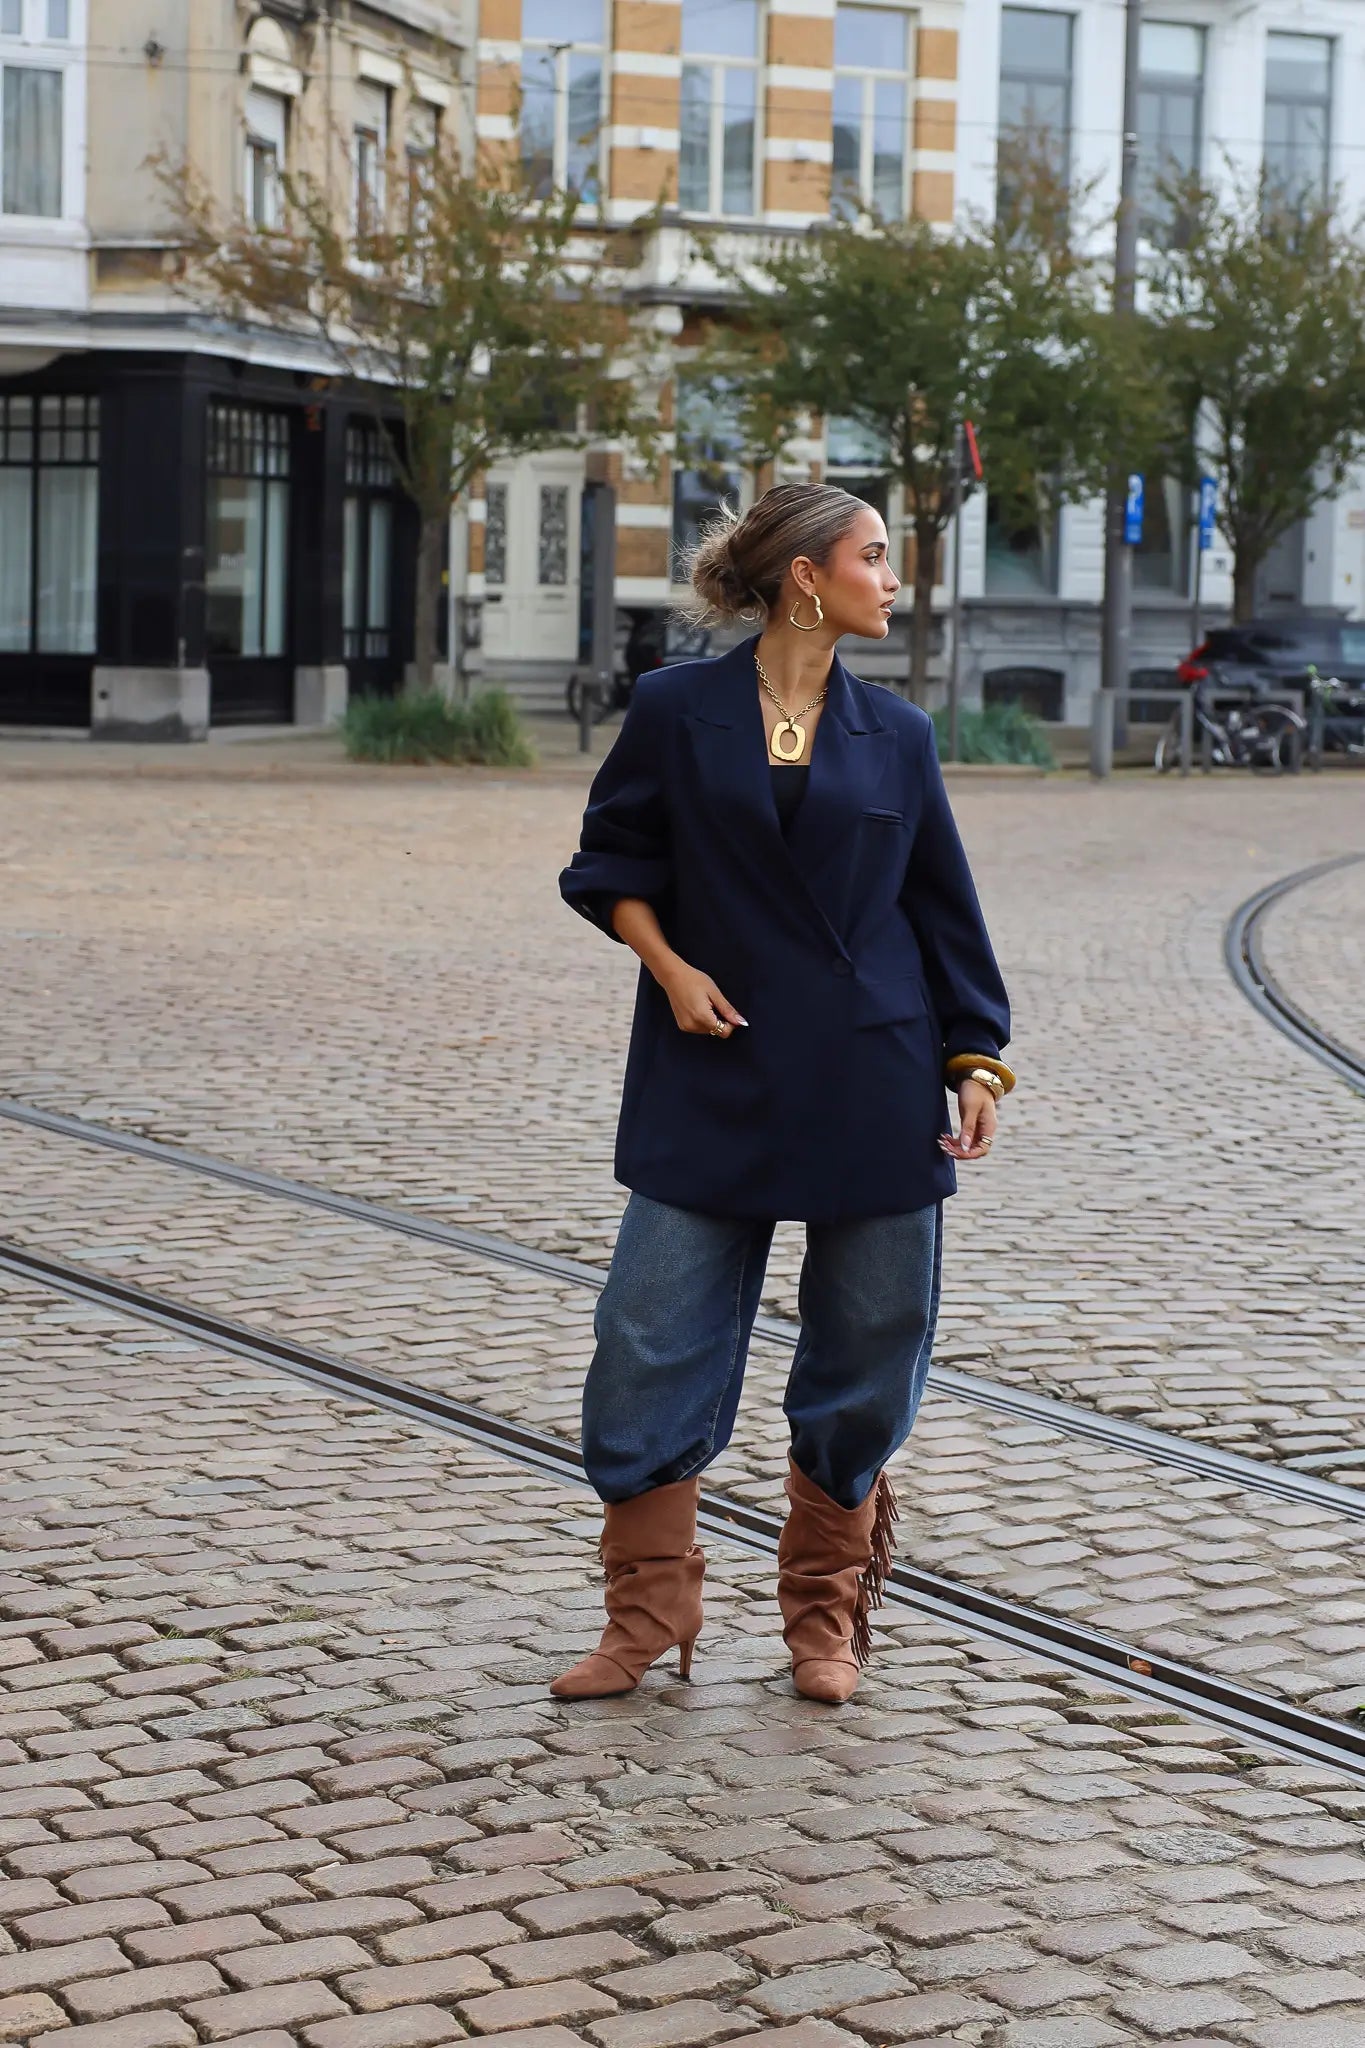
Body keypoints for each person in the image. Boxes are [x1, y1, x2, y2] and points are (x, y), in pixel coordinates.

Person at [555, 482, 1014, 1705]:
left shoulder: (899, 737)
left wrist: (976, 1058)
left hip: (876, 1075)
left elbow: (943, 914)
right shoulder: (674, 709)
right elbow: (609, 865)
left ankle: (825, 1614)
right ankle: (649, 1611)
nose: (892, 578)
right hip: (712, 1063)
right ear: (808, 574)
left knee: (872, 1340)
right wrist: (669, 963)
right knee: (647, 1335)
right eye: (875, 557)